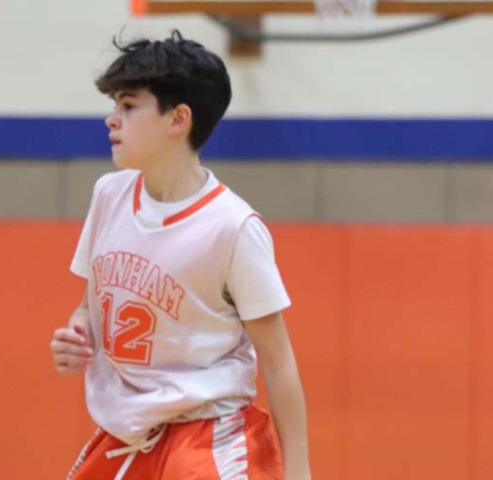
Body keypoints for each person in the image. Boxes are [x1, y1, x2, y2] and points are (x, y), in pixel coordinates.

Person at [50, 30, 311, 480]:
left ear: (178, 119)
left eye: (128, 106)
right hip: (125, 434)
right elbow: (88, 306)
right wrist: (79, 333)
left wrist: (299, 471)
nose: (112, 120)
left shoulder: (233, 227)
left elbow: (278, 360)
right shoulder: (109, 195)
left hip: (206, 434)